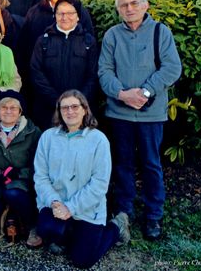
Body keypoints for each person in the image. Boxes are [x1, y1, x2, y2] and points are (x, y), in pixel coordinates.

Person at [98, 0, 182, 240]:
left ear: (145, 6)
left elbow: (172, 68)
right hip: (120, 113)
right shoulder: (112, 35)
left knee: (151, 165)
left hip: (151, 114)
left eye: (134, 3)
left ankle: (153, 216)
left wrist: (145, 92)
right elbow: (104, 71)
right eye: (123, 5)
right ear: (118, 10)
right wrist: (123, 94)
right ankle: (123, 212)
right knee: (122, 164)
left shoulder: (160, 32)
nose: (129, 8)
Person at [34, 90, 130, 269]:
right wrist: (54, 202)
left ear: (85, 109)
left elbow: (99, 184)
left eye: (74, 107)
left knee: (83, 261)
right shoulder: (48, 137)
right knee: (46, 228)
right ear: (59, 112)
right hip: (56, 206)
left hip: (87, 209)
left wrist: (71, 208)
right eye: (64, 108)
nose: (69, 111)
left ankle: (117, 227)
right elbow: (40, 177)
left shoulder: (98, 140)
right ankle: (64, 235)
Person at [19, 0, 94, 109]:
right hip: (43, 97)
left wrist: (80, 98)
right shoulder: (34, 12)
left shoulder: (81, 12)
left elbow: (90, 56)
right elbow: (24, 50)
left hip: (78, 99)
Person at [0, 90, 42, 247]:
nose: (8, 111)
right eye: (4, 107)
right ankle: (8, 219)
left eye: (13, 108)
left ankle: (31, 225)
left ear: (20, 111)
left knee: (13, 194)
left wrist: (19, 173)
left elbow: (40, 166)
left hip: (21, 181)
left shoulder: (33, 132)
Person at [30, 0, 99, 130]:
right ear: (55, 15)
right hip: (48, 110)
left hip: (79, 111)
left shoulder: (88, 42)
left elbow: (93, 75)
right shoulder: (43, 41)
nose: (64, 17)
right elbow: (36, 72)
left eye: (70, 13)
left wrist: (77, 102)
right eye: (60, 13)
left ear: (78, 16)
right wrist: (57, 100)